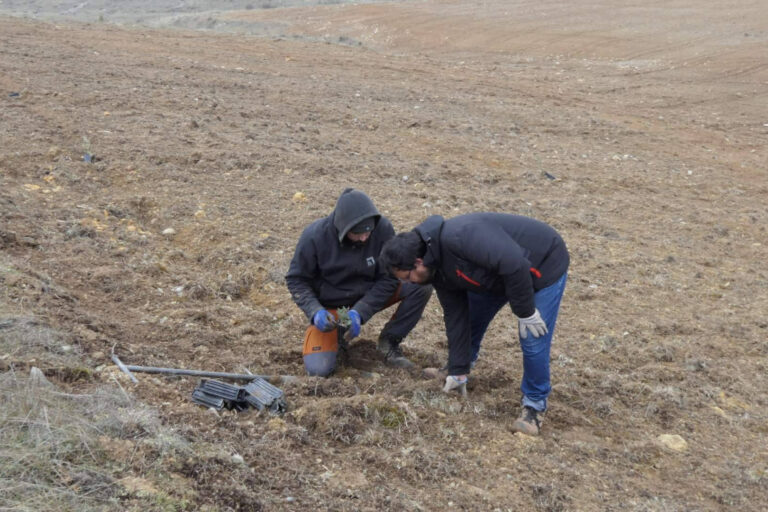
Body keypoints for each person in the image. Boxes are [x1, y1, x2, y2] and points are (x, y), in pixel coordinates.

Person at [379, 213, 569, 435]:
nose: (408, 283)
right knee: (470, 319)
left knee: (532, 336)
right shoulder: (436, 269)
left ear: (418, 262)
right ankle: (458, 368)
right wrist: (458, 368)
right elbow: (455, 315)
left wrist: (525, 312)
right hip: (495, 276)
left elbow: (514, 264)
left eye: (407, 277)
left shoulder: (461, 236)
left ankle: (534, 405)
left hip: (541, 264)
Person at [285, 188, 432, 377]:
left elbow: (389, 277)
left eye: (368, 231)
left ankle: (389, 342)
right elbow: (296, 279)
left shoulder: (382, 230)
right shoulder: (314, 236)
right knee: (319, 370)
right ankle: (338, 333)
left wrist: (360, 311)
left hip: (367, 295)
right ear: (343, 228)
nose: (364, 237)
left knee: (419, 286)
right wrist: (315, 311)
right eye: (357, 233)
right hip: (333, 307)